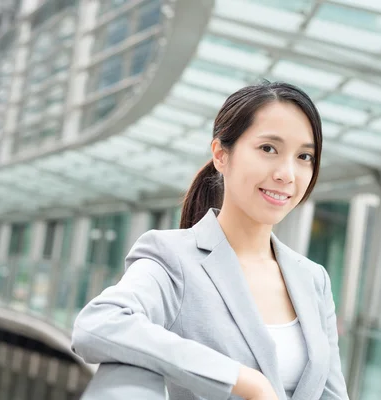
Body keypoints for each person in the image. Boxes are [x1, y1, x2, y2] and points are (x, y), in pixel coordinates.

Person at [71, 81, 349, 400]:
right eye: (268, 149)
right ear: (220, 154)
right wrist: (242, 379)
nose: (287, 173)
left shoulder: (314, 280)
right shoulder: (174, 257)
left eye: (304, 156)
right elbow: (99, 323)